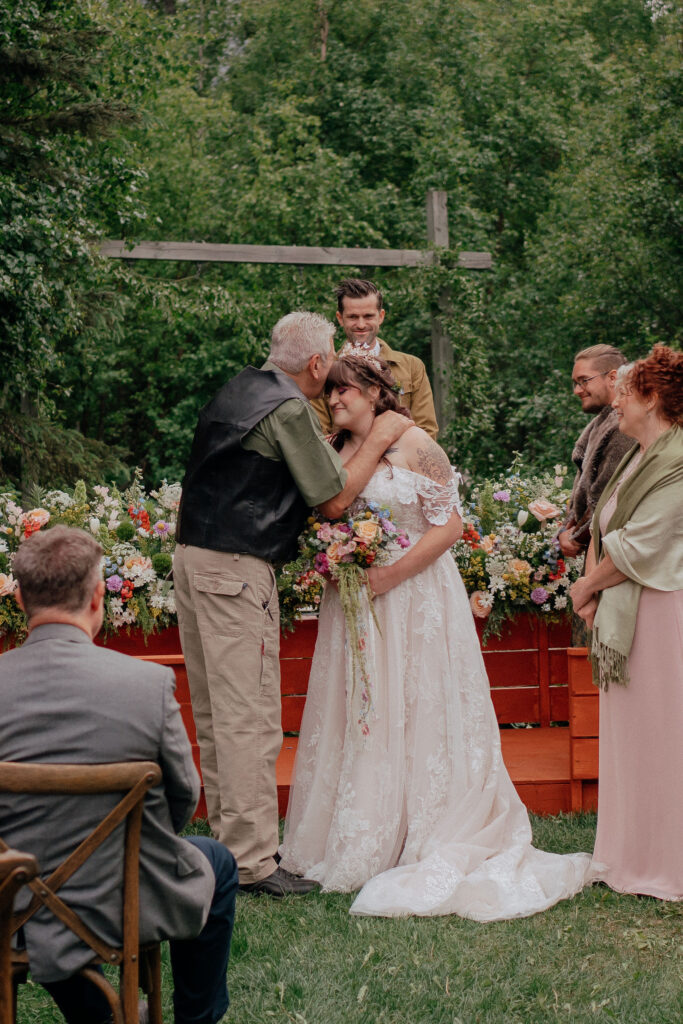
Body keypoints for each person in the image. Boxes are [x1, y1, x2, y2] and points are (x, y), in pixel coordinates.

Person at [279, 352, 594, 919]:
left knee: (421, 702)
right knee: (364, 707)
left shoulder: (420, 445)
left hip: (418, 594)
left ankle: (427, 825)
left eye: (345, 390)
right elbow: (327, 510)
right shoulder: (336, 452)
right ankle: (360, 830)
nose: (334, 399)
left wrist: (387, 576)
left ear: (376, 393)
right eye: (329, 393)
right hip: (356, 601)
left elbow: (450, 525)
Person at [174, 311, 412, 896]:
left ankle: (229, 850)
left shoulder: (238, 388)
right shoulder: (286, 407)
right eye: (330, 355)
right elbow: (331, 499)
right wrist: (379, 436)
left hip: (193, 559)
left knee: (215, 714)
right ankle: (253, 864)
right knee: (249, 718)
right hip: (234, 567)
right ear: (314, 363)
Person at [0, 526, 238, 1024]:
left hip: (11, 903)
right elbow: (181, 799)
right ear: (96, 597)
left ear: (19, 597)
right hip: (124, 898)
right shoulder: (146, 685)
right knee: (215, 858)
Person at [569, 344, 683, 900]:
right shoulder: (638, 453)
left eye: (625, 393)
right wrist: (591, 590)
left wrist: (587, 586)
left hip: (663, 614)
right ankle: (628, 852)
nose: (616, 401)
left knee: (664, 737)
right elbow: (601, 528)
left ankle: (666, 862)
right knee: (631, 739)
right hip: (625, 611)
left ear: (653, 398)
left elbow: (641, 544)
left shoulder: (678, 459)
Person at [311, 279, 439, 439]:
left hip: (402, 459)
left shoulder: (412, 367)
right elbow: (320, 435)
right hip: (347, 460)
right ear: (340, 318)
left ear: (381, 316)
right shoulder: (325, 370)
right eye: (353, 317)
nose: (361, 324)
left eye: (368, 316)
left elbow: (426, 431)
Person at [557, 344, 633, 560]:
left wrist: (574, 539)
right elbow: (582, 492)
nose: (577, 390)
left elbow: (607, 499)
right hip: (595, 548)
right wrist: (565, 531)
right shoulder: (600, 422)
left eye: (584, 380)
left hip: (613, 553)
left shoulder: (624, 426)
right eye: (575, 383)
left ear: (613, 377)